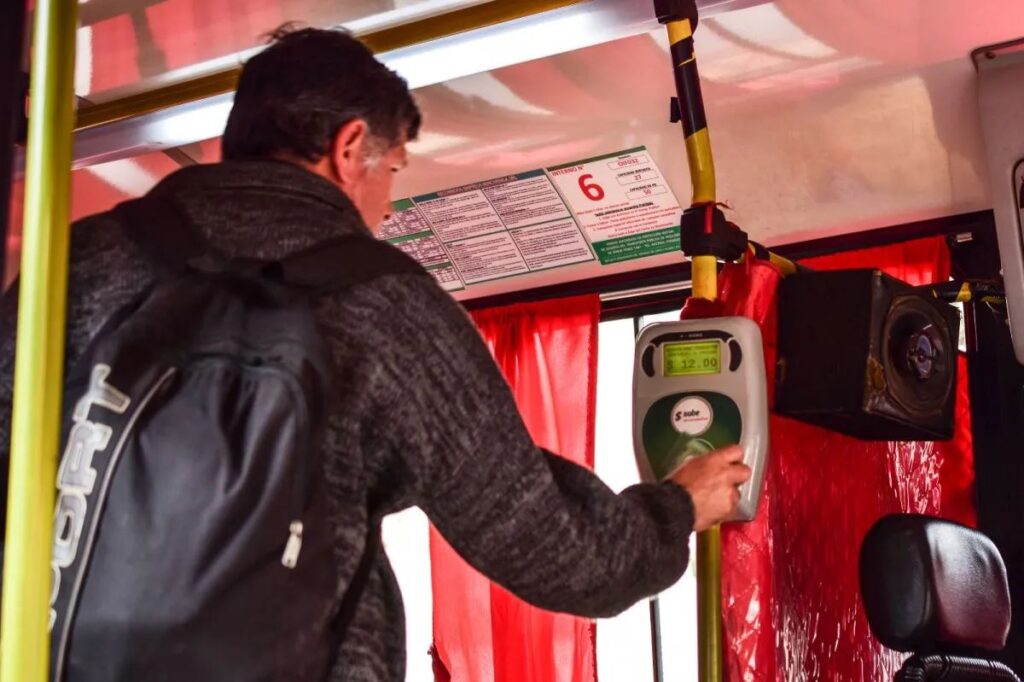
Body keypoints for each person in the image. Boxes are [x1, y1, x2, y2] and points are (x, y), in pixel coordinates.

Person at [0, 27, 750, 680]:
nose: (387, 209)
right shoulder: (381, 302)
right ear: (350, 147)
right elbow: (555, 547)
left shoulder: (79, 261)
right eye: (391, 173)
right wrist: (677, 508)